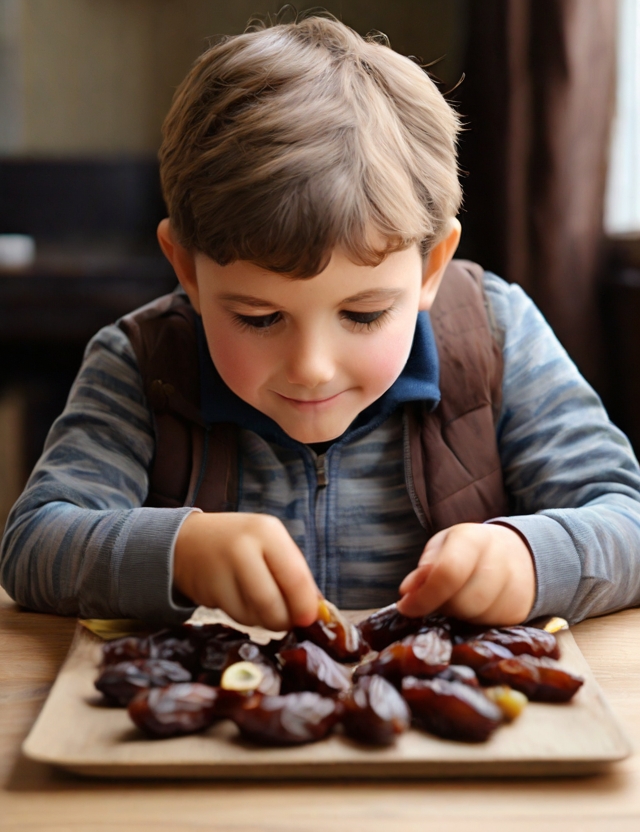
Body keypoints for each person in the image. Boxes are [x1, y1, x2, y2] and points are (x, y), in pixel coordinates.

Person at [3, 14, 640, 633]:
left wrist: (531, 557)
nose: (311, 367)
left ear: (431, 267)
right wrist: (180, 552)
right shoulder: (141, 363)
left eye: (363, 314)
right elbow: (35, 543)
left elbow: (627, 522)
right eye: (259, 317)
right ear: (188, 271)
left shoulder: (496, 336)